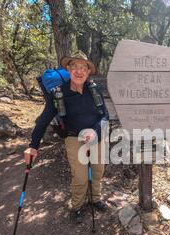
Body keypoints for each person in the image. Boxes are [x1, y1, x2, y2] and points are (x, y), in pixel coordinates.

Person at [24, 51, 109, 223]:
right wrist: (33, 145)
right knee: (80, 176)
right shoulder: (59, 94)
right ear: (69, 69)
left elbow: (105, 116)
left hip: (96, 134)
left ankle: (95, 199)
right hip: (73, 137)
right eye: (75, 67)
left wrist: (94, 131)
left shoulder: (93, 90)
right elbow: (43, 120)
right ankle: (77, 206)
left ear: (88, 71)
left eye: (83, 68)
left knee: (98, 171)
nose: (79, 71)